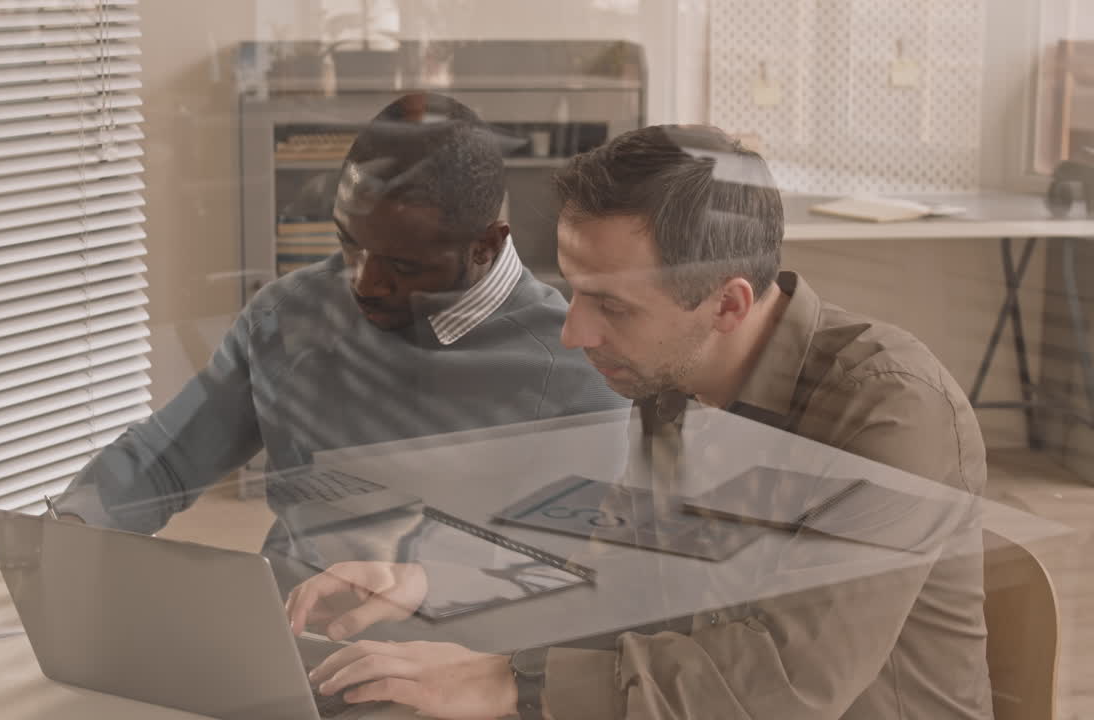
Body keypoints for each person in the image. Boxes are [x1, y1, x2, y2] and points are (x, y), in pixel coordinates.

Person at [286, 125, 992, 719]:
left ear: (728, 305)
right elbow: (622, 579)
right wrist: (435, 583)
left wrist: (511, 681)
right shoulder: (671, 381)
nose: (573, 332)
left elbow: (783, 683)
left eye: (612, 306)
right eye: (574, 292)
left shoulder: (890, 409)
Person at [55, 93, 627, 548]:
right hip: (288, 645)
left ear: (485, 246)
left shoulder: (578, 367)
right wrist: (65, 539)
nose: (364, 283)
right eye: (350, 245)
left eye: (402, 265)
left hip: (446, 672)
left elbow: (569, 577)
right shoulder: (287, 313)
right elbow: (168, 462)